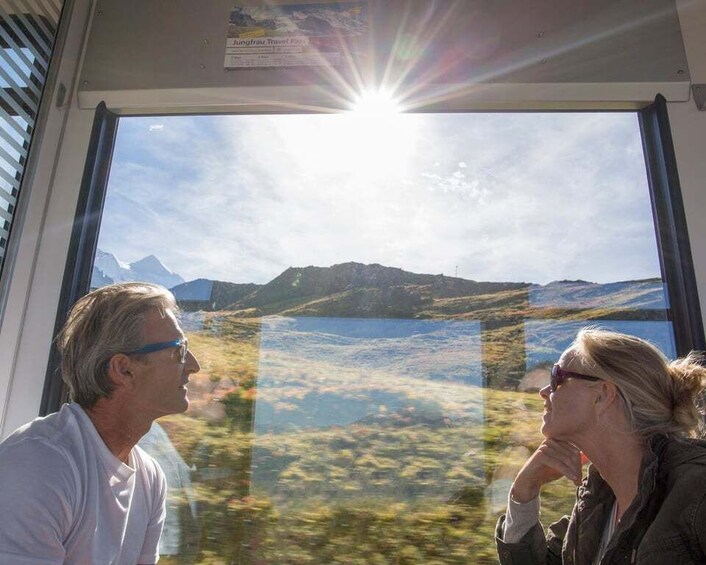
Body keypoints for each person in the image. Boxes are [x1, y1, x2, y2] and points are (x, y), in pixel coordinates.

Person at [0, 282, 201, 564]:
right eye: (179, 350)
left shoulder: (150, 478)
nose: (193, 365)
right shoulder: (39, 464)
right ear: (123, 370)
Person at [496, 328, 706, 564]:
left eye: (557, 377)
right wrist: (523, 493)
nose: (544, 392)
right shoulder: (594, 506)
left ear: (603, 395)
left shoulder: (697, 490)